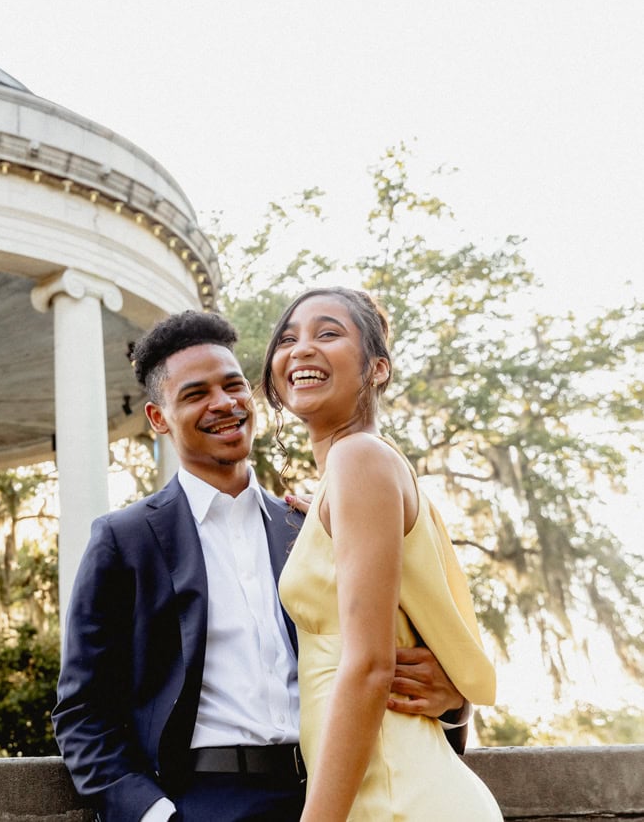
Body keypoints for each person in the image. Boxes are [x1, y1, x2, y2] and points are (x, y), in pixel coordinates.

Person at [53, 310, 475, 822]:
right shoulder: (125, 540)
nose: (224, 404)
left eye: (234, 386)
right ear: (158, 418)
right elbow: (82, 713)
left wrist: (453, 701)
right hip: (207, 802)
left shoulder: (309, 526)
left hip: (339, 793)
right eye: (195, 394)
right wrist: (156, 815)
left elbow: (392, 642)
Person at [264, 287, 500, 821]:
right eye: (288, 339)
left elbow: (370, 666)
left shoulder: (359, 459)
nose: (301, 349)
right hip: (379, 795)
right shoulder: (347, 477)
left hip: (400, 797)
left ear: (377, 369)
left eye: (328, 333)